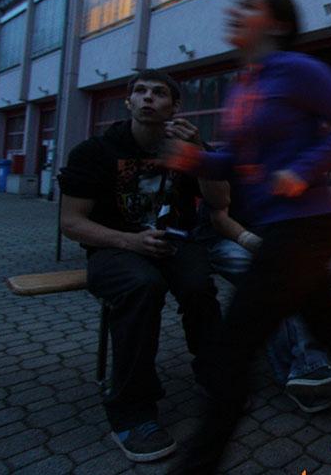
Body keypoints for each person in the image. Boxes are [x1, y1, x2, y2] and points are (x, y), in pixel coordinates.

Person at [167, 0, 331, 472]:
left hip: (302, 230)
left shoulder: (298, 69)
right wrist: (195, 159)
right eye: (235, 5)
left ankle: (196, 464)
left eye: (249, 5)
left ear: (278, 23)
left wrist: (303, 170)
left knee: (232, 348)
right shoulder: (245, 84)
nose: (234, 11)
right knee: (329, 329)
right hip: (282, 229)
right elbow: (237, 164)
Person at [58, 71, 222, 463]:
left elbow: (219, 199)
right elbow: (71, 221)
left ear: (175, 107)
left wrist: (199, 152)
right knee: (142, 288)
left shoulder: (186, 147)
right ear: (129, 103)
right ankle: (131, 411)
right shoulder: (95, 152)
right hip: (114, 247)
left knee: (200, 286)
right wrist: (129, 241)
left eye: (159, 93)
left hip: (174, 243)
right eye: (140, 92)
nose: (148, 97)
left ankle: (215, 377)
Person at [196, 165, 331, 412]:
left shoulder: (314, 149)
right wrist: (253, 242)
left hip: (288, 232)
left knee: (297, 280)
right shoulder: (243, 150)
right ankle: (302, 371)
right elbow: (219, 218)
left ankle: (307, 359)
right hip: (234, 238)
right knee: (282, 282)